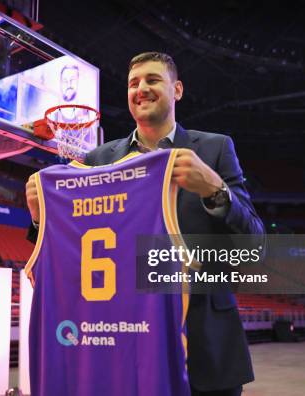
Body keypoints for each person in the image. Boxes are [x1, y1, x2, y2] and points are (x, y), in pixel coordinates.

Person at [26, 52, 265, 396]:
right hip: (123, 343)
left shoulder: (214, 148)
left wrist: (215, 190)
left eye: (152, 80)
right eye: (133, 83)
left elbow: (255, 242)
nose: (141, 89)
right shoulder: (98, 160)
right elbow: (70, 250)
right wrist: (39, 216)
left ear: (177, 89)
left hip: (203, 343)